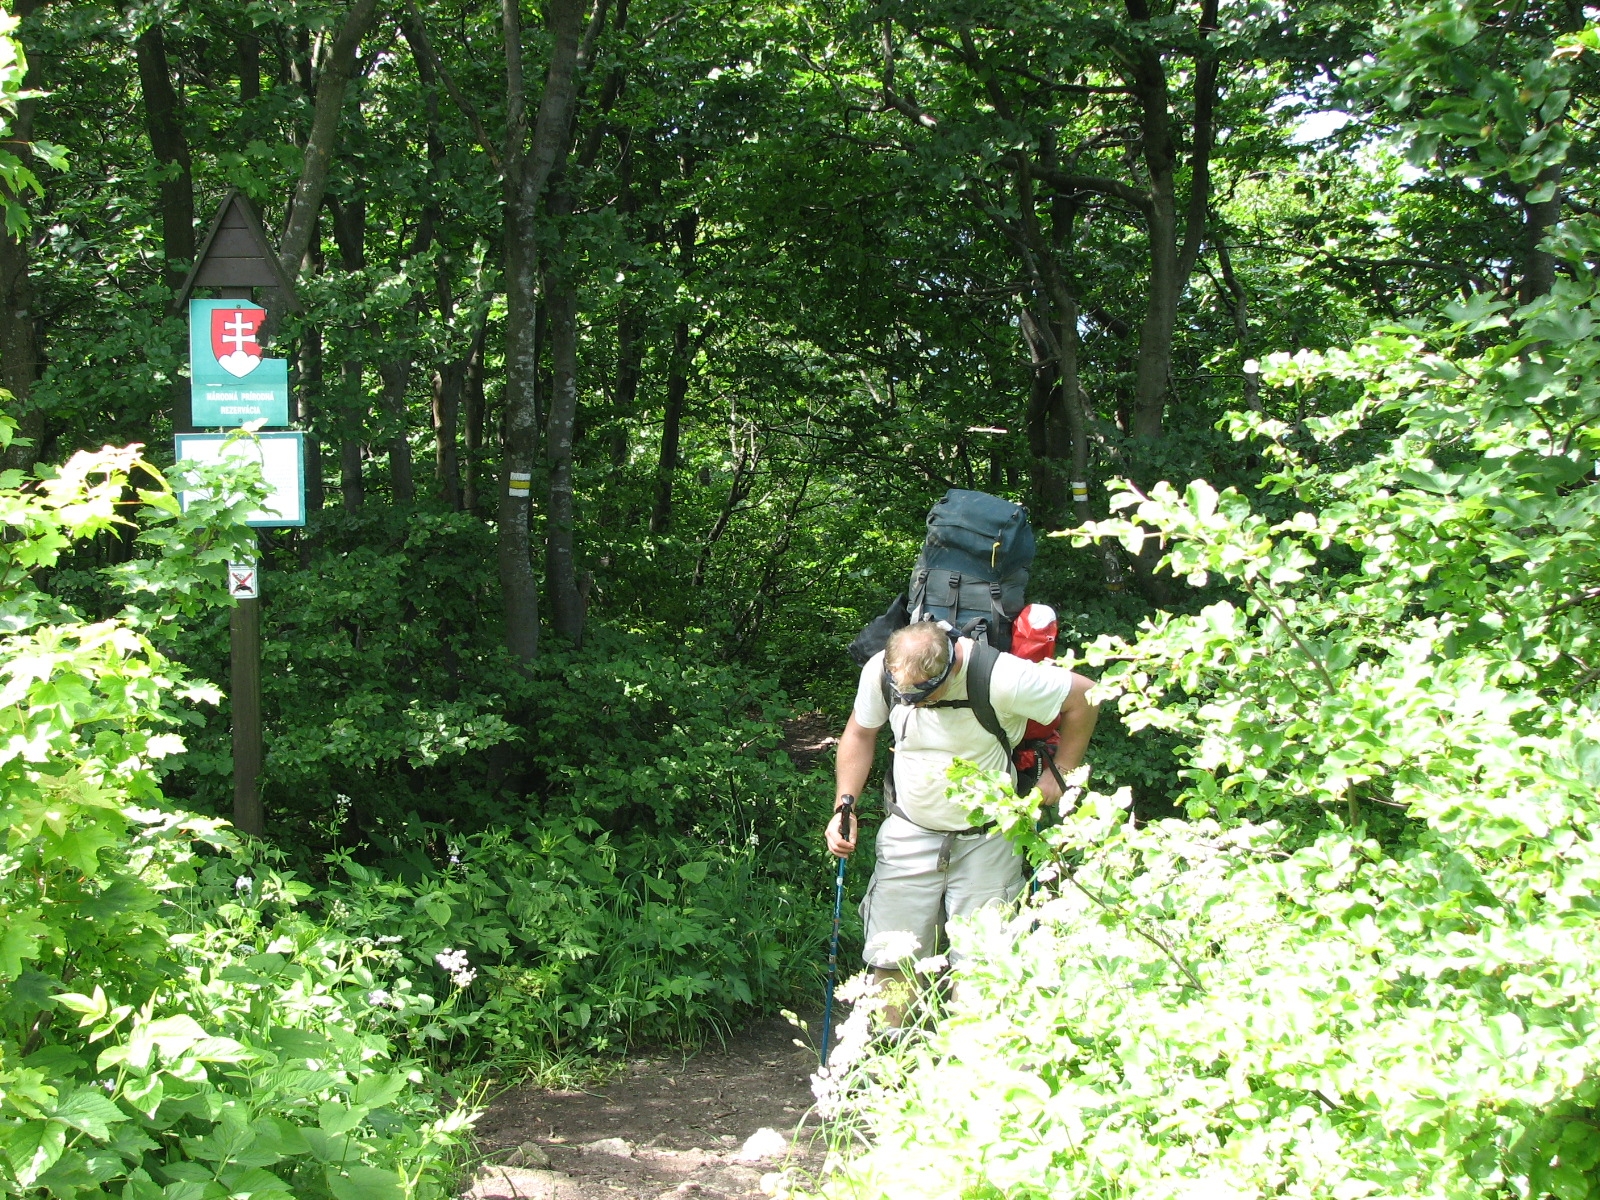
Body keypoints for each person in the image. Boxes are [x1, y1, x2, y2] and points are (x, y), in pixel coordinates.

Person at [824, 619, 1098, 1011]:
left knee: (982, 966)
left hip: (988, 839)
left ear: (950, 668)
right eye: (904, 696)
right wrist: (844, 806)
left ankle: (967, 1048)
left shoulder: (1001, 676)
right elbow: (860, 733)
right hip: (908, 831)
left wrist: (1063, 772)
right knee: (891, 956)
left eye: (922, 695)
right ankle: (889, 1047)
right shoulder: (881, 672)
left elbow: (1085, 696)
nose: (913, 703)